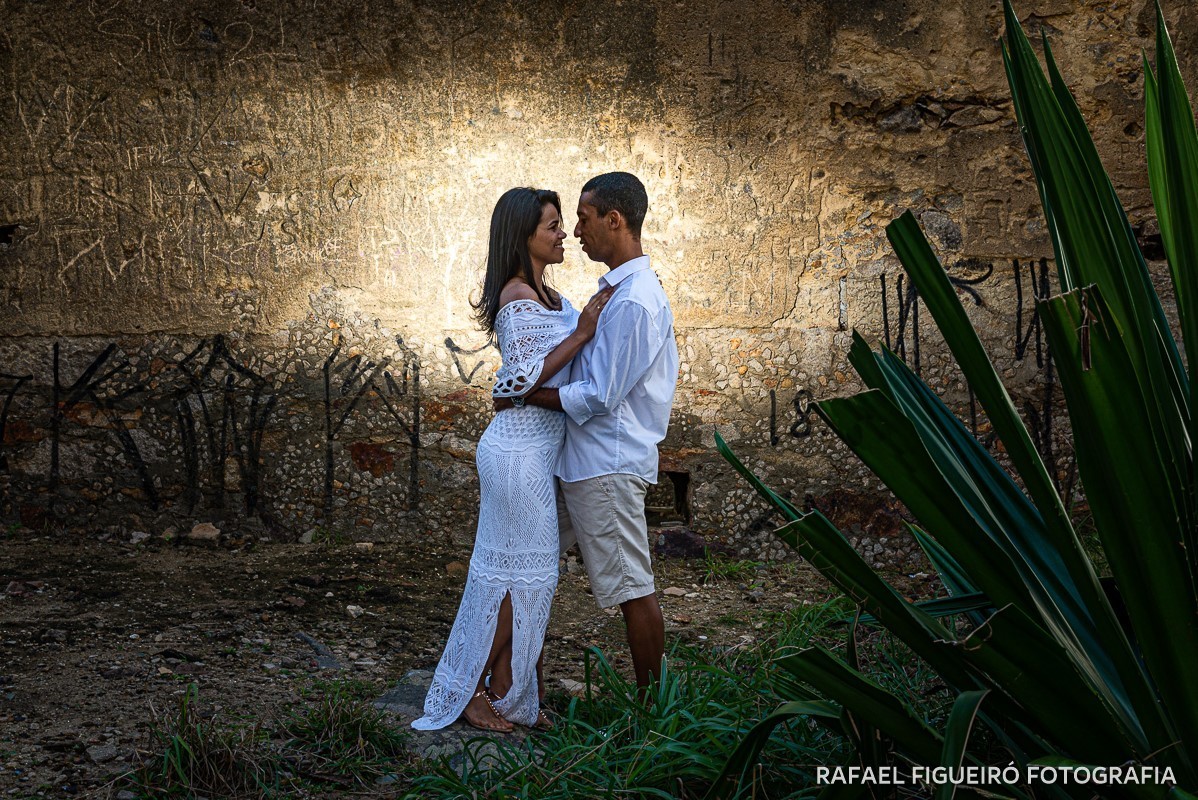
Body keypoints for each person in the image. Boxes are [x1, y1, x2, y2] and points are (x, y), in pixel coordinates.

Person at [412, 187, 613, 733]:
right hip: (516, 454)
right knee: (526, 577)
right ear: (524, 236)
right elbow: (524, 378)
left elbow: (520, 382)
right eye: (551, 225)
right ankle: (472, 690)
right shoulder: (517, 298)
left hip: (533, 451)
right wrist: (585, 332)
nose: (562, 233)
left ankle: (507, 694)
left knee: (521, 579)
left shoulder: (550, 296)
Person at [496, 172, 679, 692]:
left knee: (632, 588)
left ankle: (656, 712)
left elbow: (599, 393)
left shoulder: (636, 301)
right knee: (525, 571)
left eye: (583, 218)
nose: (576, 231)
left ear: (614, 220)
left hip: (607, 466)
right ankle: (498, 682)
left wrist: (526, 393)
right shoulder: (613, 294)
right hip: (578, 463)